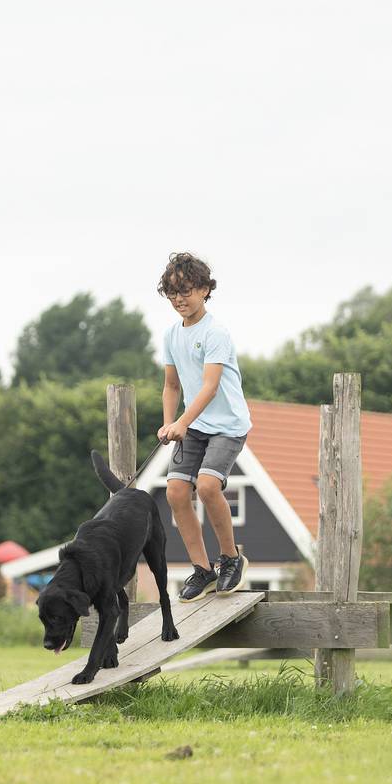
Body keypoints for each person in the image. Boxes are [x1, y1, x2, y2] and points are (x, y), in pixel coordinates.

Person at [155, 252, 253, 602]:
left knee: (209, 486)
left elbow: (210, 387)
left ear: (205, 290)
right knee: (176, 493)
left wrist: (182, 421)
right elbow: (171, 386)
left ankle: (230, 559)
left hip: (227, 425)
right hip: (193, 426)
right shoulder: (170, 335)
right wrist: (169, 423)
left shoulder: (216, 333)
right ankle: (202, 569)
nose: (180, 299)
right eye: (172, 293)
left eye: (187, 291)